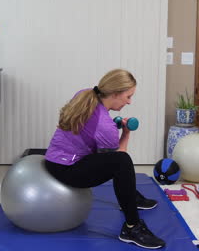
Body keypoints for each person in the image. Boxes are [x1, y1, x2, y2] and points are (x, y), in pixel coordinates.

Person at [45, 69, 165, 249]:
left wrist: (111, 126)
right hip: (68, 171)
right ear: (115, 94)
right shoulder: (106, 126)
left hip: (53, 160)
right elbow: (119, 156)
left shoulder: (85, 95)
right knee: (122, 163)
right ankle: (132, 227)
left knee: (117, 162)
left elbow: (90, 132)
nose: (130, 102)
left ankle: (131, 197)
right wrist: (125, 132)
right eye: (128, 97)